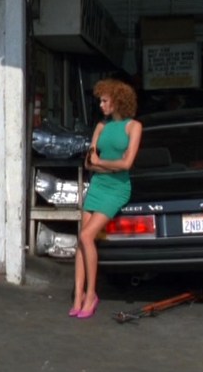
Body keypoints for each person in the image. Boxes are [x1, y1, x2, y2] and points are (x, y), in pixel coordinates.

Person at [71, 78, 142, 319]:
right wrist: (104, 165)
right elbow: (90, 162)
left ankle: (91, 294)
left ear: (117, 101)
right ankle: (78, 295)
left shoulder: (134, 127)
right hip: (97, 185)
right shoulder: (100, 127)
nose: (100, 105)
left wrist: (102, 163)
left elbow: (127, 164)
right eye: (100, 100)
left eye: (104, 100)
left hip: (118, 189)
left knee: (86, 235)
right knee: (81, 241)